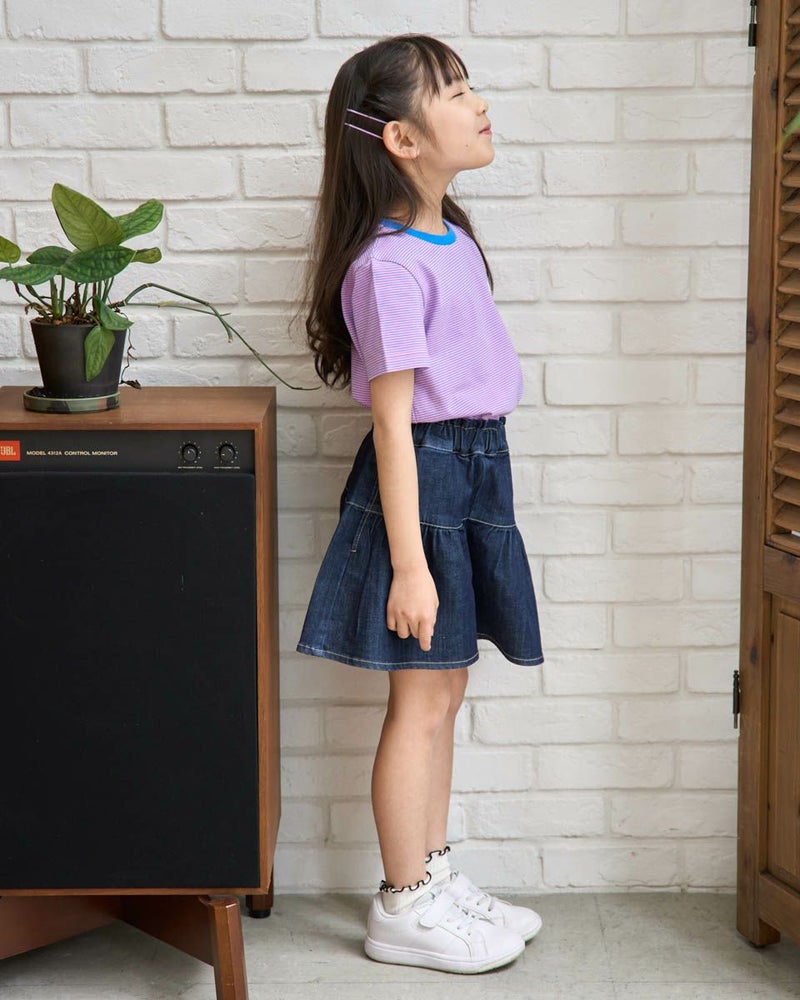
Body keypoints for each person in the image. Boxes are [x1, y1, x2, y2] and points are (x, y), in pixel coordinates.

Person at [296, 34, 544, 975]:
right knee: (418, 698)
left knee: (446, 687)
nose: (479, 103)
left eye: (472, 86)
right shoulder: (387, 267)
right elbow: (393, 426)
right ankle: (402, 902)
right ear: (400, 138)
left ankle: (433, 874)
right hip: (427, 480)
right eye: (455, 91)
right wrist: (409, 565)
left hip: (476, 470)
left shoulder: (454, 240)